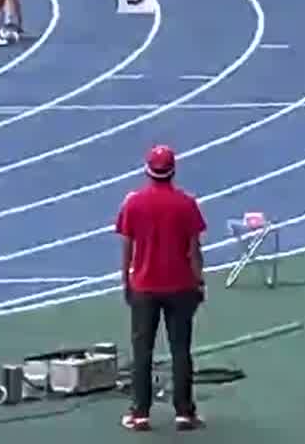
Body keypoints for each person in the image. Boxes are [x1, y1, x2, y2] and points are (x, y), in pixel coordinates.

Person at [116, 144, 207, 433]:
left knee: (142, 351)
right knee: (181, 350)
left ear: (148, 170)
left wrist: (125, 282)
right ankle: (184, 412)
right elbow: (194, 250)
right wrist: (199, 280)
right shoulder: (186, 203)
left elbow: (127, 247)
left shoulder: (134, 203)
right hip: (180, 285)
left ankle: (140, 413)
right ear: (173, 170)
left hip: (144, 286)